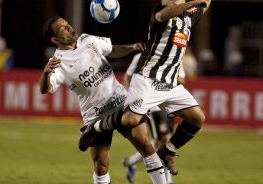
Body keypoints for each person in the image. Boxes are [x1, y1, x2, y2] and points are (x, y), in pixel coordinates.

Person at [80, 0, 211, 176]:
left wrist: (195, 5)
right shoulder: (160, 14)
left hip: (171, 84)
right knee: (130, 121)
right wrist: (191, 4)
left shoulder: (188, 17)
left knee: (197, 118)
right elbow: (168, 13)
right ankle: (94, 128)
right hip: (147, 79)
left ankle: (167, 152)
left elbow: (206, 4)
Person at [40, 16, 167, 184]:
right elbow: (45, 89)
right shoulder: (57, 62)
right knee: (101, 165)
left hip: (122, 103)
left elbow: (111, 50)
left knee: (145, 145)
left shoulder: (87, 39)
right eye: (63, 28)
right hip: (96, 116)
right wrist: (46, 73)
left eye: (68, 24)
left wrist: (133, 47)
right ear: (55, 39)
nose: (70, 28)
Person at [122, 52, 184, 184]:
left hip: (169, 104)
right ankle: (168, 181)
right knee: (165, 140)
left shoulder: (175, 54)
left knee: (158, 142)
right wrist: (132, 95)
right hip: (153, 104)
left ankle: (130, 162)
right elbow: (127, 76)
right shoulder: (140, 56)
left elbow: (182, 79)